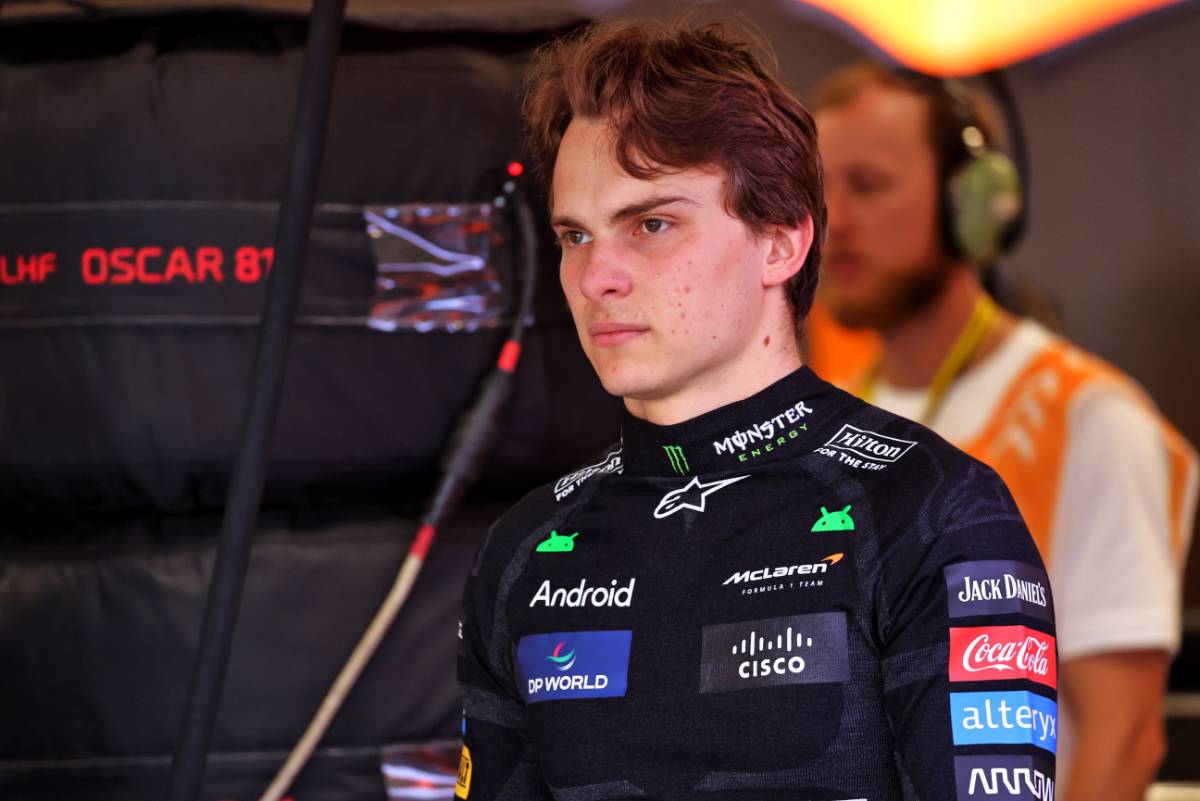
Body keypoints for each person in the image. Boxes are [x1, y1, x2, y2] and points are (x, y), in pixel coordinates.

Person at [456, 21, 1057, 801]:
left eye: (651, 224)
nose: (597, 275)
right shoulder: (525, 550)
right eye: (575, 234)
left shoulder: (936, 513)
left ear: (781, 241)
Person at [812, 62, 1198, 801]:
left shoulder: (1092, 421)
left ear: (972, 207)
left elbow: (1123, 741)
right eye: (821, 189)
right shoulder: (836, 414)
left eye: (868, 184)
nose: (836, 223)